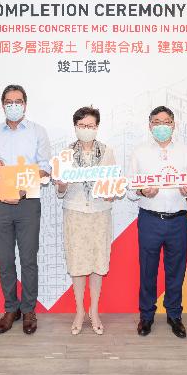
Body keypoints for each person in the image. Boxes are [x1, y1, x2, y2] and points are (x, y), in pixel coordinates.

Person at [0, 84, 51, 335]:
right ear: (3, 106)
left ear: (25, 104)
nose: (14, 105)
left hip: (28, 202)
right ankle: (11, 309)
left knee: (28, 259)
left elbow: (45, 168)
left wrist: (23, 189)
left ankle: (29, 309)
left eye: (18, 101)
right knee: (5, 259)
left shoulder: (37, 131)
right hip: (0, 203)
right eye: (9, 102)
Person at [128, 106, 187, 338]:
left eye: (166, 122)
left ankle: (174, 315)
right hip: (150, 219)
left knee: (176, 271)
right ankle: (146, 315)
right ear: (150, 125)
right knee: (147, 270)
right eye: (157, 122)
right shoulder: (139, 152)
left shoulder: (185, 151)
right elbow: (130, 189)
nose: (162, 126)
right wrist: (142, 191)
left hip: (178, 220)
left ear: (173, 124)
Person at [55, 107, 115, 335]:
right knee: (78, 263)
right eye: (82, 126)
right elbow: (60, 191)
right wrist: (61, 183)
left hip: (100, 213)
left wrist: (110, 192)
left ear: (97, 127)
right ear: (75, 127)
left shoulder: (107, 152)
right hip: (75, 213)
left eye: (90, 126)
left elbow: (113, 185)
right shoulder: (66, 154)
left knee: (98, 263)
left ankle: (94, 310)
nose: (86, 129)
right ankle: (80, 310)